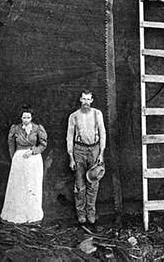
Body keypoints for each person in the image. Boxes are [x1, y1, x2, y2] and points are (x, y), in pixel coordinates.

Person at [0, 105, 47, 224]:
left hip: (34, 160)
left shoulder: (37, 128)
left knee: (32, 186)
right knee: (18, 186)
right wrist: (15, 157)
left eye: (28, 117)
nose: (26, 120)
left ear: (31, 118)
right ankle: (17, 214)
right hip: (19, 160)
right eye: (24, 117)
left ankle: (32, 214)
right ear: (21, 118)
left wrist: (33, 151)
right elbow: (10, 144)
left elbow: (43, 144)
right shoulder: (15, 128)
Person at [66, 90, 106, 227]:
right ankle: (81, 213)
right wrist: (71, 156)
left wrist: (101, 153)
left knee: (93, 183)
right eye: (84, 99)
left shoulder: (97, 114)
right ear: (80, 100)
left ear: (92, 100)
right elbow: (69, 136)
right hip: (79, 150)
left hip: (94, 150)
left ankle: (91, 213)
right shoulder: (74, 116)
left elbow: (103, 133)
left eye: (88, 99)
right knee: (80, 184)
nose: (86, 102)